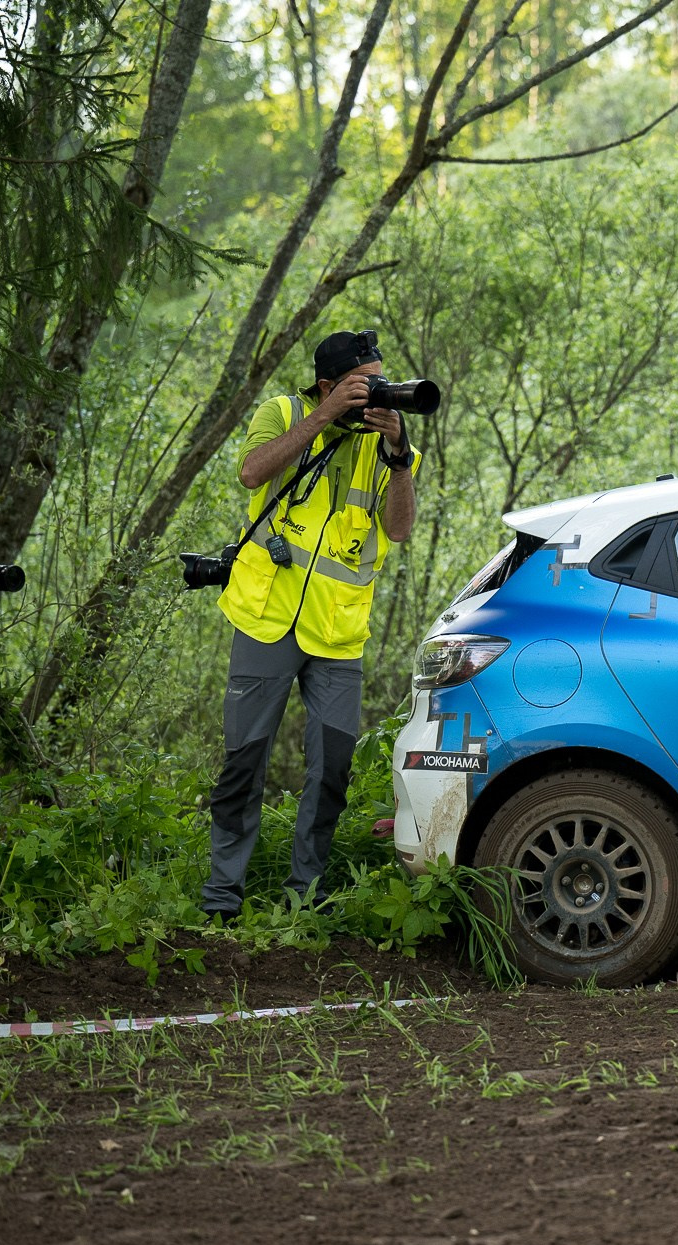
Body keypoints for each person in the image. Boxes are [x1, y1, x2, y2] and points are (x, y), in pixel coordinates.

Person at [201, 329, 421, 919]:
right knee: (244, 762)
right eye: (365, 383)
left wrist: (398, 456)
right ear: (329, 384)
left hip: (338, 633)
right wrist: (325, 415)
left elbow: (398, 530)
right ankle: (222, 897)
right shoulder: (285, 412)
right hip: (265, 618)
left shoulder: (388, 443)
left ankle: (306, 897)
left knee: (332, 771)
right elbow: (252, 472)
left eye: (382, 380)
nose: (378, 392)